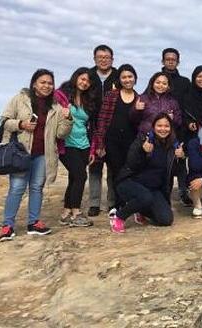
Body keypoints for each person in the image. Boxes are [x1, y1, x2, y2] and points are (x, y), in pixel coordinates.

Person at [0, 69, 73, 242]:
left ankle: (33, 223)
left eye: (50, 83)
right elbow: (4, 121)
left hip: (43, 154)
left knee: (36, 188)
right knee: (17, 188)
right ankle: (7, 225)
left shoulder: (56, 107)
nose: (47, 86)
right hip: (21, 153)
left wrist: (68, 119)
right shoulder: (20, 99)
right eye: (43, 82)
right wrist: (21, 124)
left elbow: (61, 134)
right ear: (34, 84)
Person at [109, 113, 184, 233]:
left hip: (153, 189)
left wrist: (181, 158)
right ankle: (118, 216)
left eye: (166, 126)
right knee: (145, 197)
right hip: (130, 182)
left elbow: (175, 172)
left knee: (166, 219)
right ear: (153, 126)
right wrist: (142, 151)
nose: (163, 129)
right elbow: (131, 163)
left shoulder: (173, 146)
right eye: (159, 125)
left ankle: (141, 210)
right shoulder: (143, 140)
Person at [91, 64, 140, 215]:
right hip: (112, 141)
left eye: (130, 76)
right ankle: (117, 205)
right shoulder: (112, 95)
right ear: (119, 79)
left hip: (131, 142)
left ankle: (127, 202)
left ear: (135, 78)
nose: (127, 80)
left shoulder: (139, 98)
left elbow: (139, 122)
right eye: (124, 77)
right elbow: (102, 120)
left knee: (129, 172)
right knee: (115, 173)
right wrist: (100, 143)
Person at [54, 67, 96, 227]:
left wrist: (92, 149)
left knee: (74, 177)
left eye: (88, 81)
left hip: (83, 144)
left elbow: (89, 126)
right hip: (66, 144)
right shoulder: (61, 95)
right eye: (82, 79)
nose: (85, 83)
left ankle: (65, 212)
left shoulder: (88, 100)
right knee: (80, 176)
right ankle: (76, 212)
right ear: (76, 77)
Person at [87, 44, 119, 217]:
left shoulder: (118, 76)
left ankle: (112, 202)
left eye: (107, 57)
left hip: (113, 128)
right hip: (92, 127)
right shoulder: (88, 75)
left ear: (112, 59)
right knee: (95, 167)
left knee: (113, 168)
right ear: (95, 59)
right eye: (100, 57)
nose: (103, 60)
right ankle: (94, 203)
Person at [160, 48, 193, 207]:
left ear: (178, 61)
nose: (170, 61)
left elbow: (189, 105)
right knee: (162, 161)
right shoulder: (158, 79)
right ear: (163, 61)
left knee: (180, 162)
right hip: (160, 128)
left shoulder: (185, 82)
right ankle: (163, 192)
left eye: (173, 59)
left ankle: (183, 192)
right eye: (167, 59)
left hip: (180, 127)